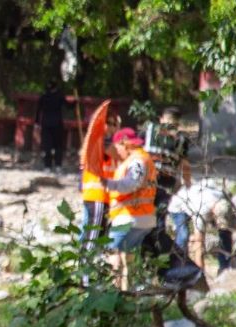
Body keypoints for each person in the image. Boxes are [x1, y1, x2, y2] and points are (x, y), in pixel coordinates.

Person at [103, 127, 157, 290]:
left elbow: (131, 184)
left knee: (114, 255)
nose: (116, 152)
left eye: (117, 147)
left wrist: (107, 183)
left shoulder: (137, 160)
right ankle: (127, 293)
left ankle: (114, 293)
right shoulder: (145, 158)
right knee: (128, 258)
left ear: (124, 143)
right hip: (143, 218)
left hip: (129, 217)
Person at [145, 107, 192, 252]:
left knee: (157, 222)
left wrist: (186, 186)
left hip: (162, 186)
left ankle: (158, 256)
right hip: (149, 184)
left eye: (173, 124)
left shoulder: (181, 140)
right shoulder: (151, 131)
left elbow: (184, 165)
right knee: (151, 221)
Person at [80, 114, 120, 250]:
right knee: (93, 234)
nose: (111, 126)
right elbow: (120, 155)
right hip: (97, 194)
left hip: (102, 195)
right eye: (108, 123)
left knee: (93, 231)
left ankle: (89, 264)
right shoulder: (101, 142)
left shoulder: (102, 141)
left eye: (114, 124)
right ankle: (85, 267)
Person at [36, 80, 65, 172]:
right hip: (57, 124)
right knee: (58, 146)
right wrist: (75, 102)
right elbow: (68, 105)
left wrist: (37, 123)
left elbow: (38, 110)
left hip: (46, 124)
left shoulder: (44, 96)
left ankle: (47, 166)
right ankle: (58, 165)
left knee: (47, 145)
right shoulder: (59, 96)